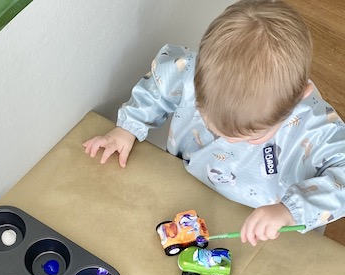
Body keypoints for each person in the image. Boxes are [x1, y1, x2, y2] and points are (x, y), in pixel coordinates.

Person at [83, 0, 345, 245]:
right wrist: (128, 127)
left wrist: (290, 210)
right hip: (193, 189)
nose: (230, 141)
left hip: (274, 226)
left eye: (252, 137)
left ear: (300, 97)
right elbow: (161, 83)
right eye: (213, 127)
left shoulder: (315, 125)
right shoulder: (191, 72)